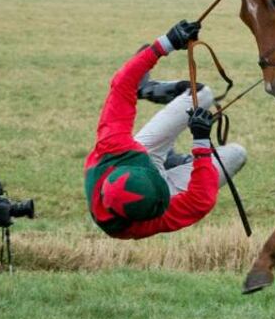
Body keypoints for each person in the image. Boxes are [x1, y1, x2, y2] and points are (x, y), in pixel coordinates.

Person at [84, 20, 247, 239]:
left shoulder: (114, 147)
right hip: (159, 186)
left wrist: (165, 44)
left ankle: (148, 90)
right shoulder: (143, 222)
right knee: (237, 153)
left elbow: (122, 84)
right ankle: (178, 164)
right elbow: (200, 201)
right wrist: (201, 142)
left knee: (203, 94)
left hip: (143, 156)